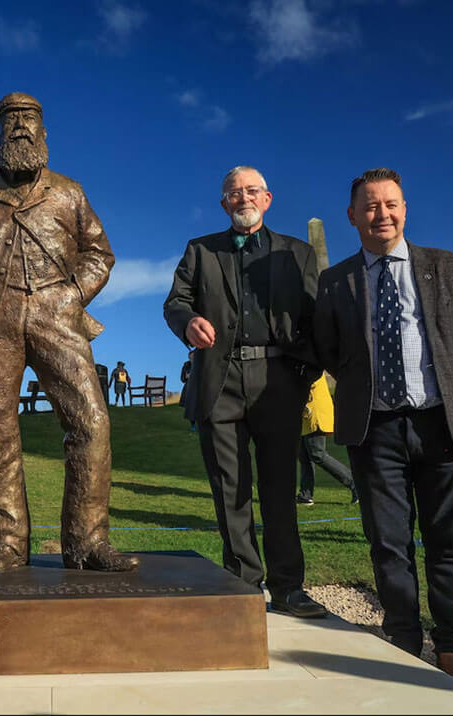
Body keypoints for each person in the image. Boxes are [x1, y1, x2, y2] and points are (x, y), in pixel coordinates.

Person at [0, 91, 138, 573]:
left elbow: (100, 254)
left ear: (45, 132)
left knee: (91, 422)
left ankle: (87, 543)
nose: (21, 128)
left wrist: (72, 295)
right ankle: (7, 543)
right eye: (11, 121)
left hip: (57, 316)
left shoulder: (69, 192)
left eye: (30, 121)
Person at [313, 168, 453, 689]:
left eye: (391, 204)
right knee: (388, 544)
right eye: (370, 206)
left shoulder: (451, 267)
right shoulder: (336, 281)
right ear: (353, 216)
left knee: (447, 544)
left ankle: (452, 650)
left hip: (445, 427)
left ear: (405, 209)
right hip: (376, 430)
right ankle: (404, 644)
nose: (381, 214)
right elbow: (327, 348)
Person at [163, 165, 327, 618]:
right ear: (223, 203)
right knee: (230, 490)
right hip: (219, 383)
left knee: (279, 490)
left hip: (279, 381)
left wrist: (304, 373)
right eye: (234, 193)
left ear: (268, 199)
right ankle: (241, 585)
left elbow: (316, 316)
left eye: (252, 191)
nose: (243, 198)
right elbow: (175, 302)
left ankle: (289, 587)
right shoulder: (201, 251)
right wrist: (188, 322)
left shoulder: (298, 253)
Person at [297, 375, 358, 506]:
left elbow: (306, 383)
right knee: (304, 456)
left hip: (315, 412)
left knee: (317, 454)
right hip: (306, 415)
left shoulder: (308, 363)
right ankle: (305, 495)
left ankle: (355, 484)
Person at [179, 350, 197, 431]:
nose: (192, 358)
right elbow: (183, 378)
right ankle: (193, 425)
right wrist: (187, 376)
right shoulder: (186, 365)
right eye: (190, 357)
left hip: (199, 387)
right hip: (189, 388)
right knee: (190, 407)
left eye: (193, 356)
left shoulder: (200, 363)